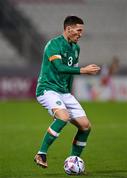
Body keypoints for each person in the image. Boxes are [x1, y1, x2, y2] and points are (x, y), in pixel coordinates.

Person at [34, 16, 100, 168]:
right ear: (68, 29)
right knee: (63, 117)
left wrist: (69, 92)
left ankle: (73, 162)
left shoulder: (76, 48)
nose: (80, 34)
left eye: (81, 31)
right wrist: (83, 70)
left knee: (85, 126)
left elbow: (70, 73)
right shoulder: (53, 45)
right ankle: (41, 153)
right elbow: (60, 67)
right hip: (47, 89)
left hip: (63, 92)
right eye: (78, 30)